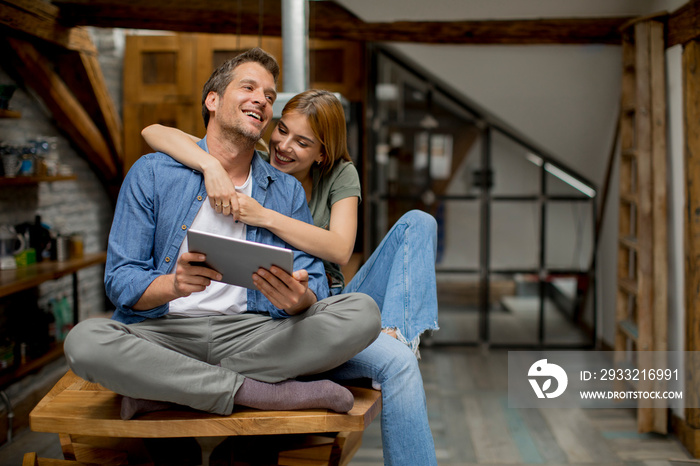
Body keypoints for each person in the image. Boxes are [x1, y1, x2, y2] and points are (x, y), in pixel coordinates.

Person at [63, 48, 381, 422]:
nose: (261, 99)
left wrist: (298, 299)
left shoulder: (285, 190)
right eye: (249, 87)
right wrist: (173, 285)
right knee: (84, 343)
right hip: (165, 334)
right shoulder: (152, 174)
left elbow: (315, 282)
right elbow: (120, 280)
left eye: (269, 96)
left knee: (362, 313)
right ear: (212, 100)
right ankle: (259, 392)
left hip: (255, 335)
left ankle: (168, 389)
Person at [142, 89, 439, 465]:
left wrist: (263, 216)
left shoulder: (338, 174)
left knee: (419, 223)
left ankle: (399, 338)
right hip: (279, 315)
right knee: (396, 364)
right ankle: (393, 350)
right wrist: (210, 166)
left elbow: (339, 249)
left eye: (302, 142)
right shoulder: (259, 162)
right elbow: (154, 132)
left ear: (322, 154)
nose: (283, 145)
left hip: (332, 298)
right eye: (281, 130)